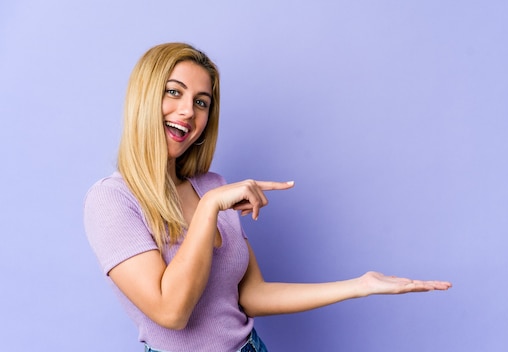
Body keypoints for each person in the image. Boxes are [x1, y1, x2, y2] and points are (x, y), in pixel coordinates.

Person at [83, 42, 452, 352]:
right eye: (174, 91)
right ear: (145, 96)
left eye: (202, 102)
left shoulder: (211, 185)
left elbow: (250, 295)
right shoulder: (112, 201)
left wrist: (359, 286)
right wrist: (210, 208)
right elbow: (171, 311)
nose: (187, 111)